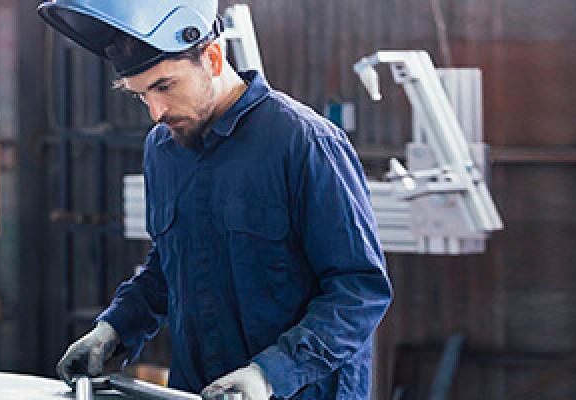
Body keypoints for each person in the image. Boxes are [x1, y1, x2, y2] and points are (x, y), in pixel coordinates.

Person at [39, 1, 393, 398]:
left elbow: (359, 291)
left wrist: (269, 374)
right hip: (201, 389)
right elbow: (170, 263)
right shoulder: (164, 148)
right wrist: (115, 328)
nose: (156, 112)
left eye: (164, 87)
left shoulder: (303, 141)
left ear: (212, 56)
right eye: (140, 96)